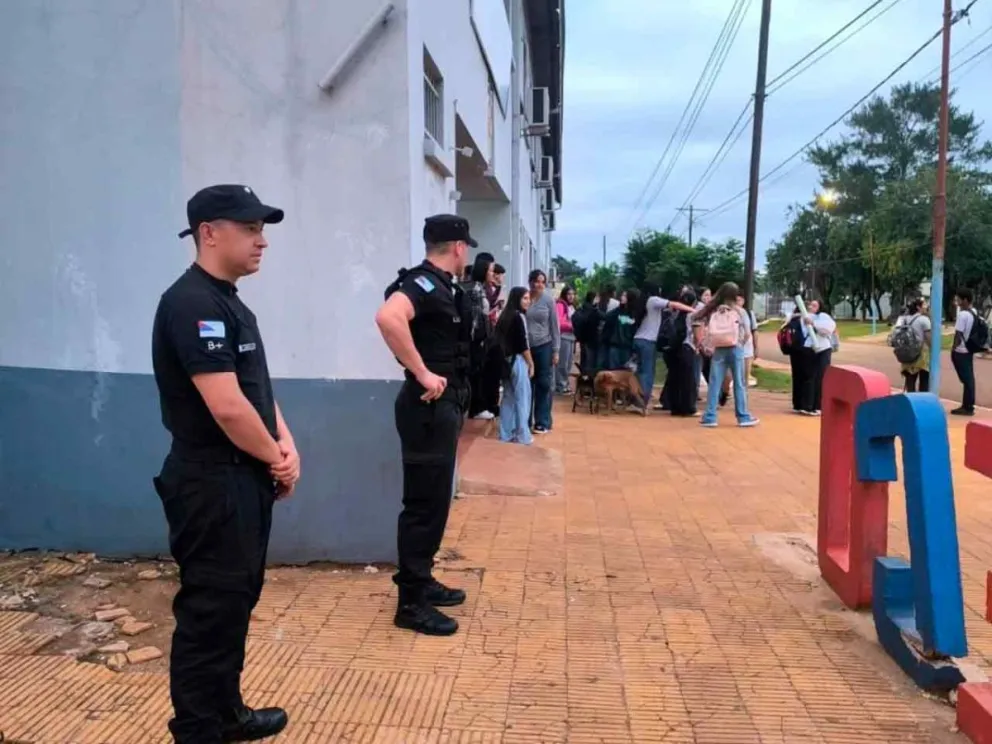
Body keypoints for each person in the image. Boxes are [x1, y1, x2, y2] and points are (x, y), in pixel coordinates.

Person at [151, 183, 299, 742]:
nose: (263, 241)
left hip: (242, 478)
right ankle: (198, 730)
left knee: (235, 602)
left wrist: (285, 444)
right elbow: (226, 407)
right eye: (251, 229)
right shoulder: (191, 303)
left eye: (263, 229)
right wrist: (277, 461)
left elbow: (255, 390)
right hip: (211, 482)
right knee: (210, 611)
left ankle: (225, 712)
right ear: (209, 233)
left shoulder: (229, 301)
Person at [374, 214, 475, 636]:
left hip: (442, 406)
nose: (466, 252)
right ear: (457, 247)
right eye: (465, 246)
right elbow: (388, 318)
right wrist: (421, 372)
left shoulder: (443, 285)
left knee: (434, 503)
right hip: (427, 406)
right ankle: (410, 604)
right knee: (423, 506)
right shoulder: (422, 283)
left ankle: (423, 580)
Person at [694, 282, 759, 428]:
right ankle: (743, 416)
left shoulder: (715, 310)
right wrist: (740, 343)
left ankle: (710, 417)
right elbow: (747, 333)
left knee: (715, 382)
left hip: (719, 348)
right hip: (736, 348)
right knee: (739, 383)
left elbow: (699, 320)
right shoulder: (740, 311)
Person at [632, 284, 694, 414]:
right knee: (647, 373)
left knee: (638, 372)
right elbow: (674, 304)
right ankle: (642, 403)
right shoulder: (653, 300)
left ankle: (635, 400)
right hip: (648, 341)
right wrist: (692, 310)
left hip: (638, 339)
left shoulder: (644, 302)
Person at [495, 287, 534, 444]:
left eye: (528, 298)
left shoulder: (505, 316)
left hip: (506, 362)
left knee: (508, 398)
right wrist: (531, 363)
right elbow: (523, 344)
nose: (528, 301)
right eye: (525, 298)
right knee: (523, 397)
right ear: (517, 299)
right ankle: (522, 434)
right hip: (517, 361)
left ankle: (505, 434)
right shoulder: (519, 317)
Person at [525, 269, 559, 434]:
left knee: (544, 384)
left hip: (544, 345)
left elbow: (555, 327)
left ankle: (542, 421)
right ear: (530, 281)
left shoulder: (548, 301)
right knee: (527, 384)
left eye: (542, 282)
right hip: (525, 348)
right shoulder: (524, 298)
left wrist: (556, 351)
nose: (539, 284)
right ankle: (526, 419)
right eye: (536, 281)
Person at [463, 254, 496, 420]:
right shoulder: (475, 290)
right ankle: (476, 407)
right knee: (476, 373)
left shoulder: (481, 288)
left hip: (481, 339)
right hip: (476, 341)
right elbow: (475, 320)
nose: (493, 273)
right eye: (491, 270)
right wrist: (480, 338)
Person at [896, 298, 932, 392]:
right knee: (924, 380)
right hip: (921, 355)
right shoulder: (924, 320)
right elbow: (929, 339)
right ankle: (922, 402)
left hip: (907, 352)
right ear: (918, 307)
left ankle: (911, 401)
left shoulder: (904, 319)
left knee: (910, 380)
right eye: (924, 305)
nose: (926, 307)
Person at [951, 288, 977, 416]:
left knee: (967, 380)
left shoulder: (962, 315)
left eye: (959, 299)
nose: (957, 302)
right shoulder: (974, 312)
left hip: (961, 350)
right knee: (969, 379)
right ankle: (968, 405)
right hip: (969, 349)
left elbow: (958, 333)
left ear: (965, 300)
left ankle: (967, 407)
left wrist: (953, 348)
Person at [554, 285, 577, 394]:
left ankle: (564, 384)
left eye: (573, 294)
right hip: (563, 336)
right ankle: (560, 386)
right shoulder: (560, 305)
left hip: (570, 337)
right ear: (564, 294)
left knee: (568, 363)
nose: (571, 296)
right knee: (562, 363)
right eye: (569, 294)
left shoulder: (571, 307)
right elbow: (559, 322)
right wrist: (572, 326)